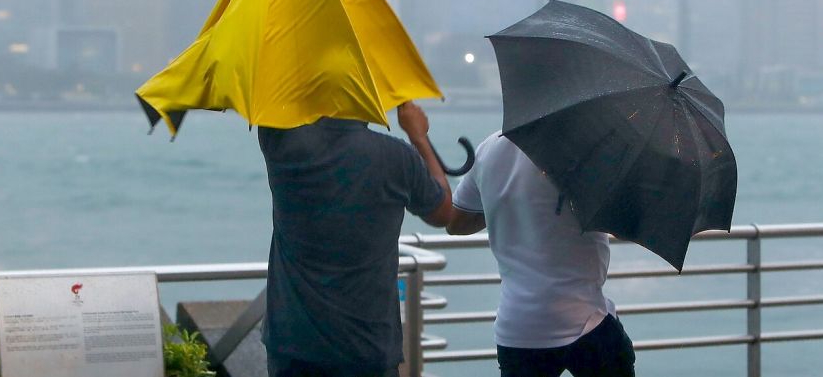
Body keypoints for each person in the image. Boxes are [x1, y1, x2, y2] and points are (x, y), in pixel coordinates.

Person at [258, 101, 454, 377]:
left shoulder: (281, 140)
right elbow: (445, 211)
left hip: (292, 343)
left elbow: (278, 105)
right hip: (368, 347)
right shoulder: (397, 157)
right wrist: (418, 136)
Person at [447, 131, 636, 377]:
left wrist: (509, 204)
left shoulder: (488, 149)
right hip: (584, 319)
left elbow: (456, 223)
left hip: (518, 326)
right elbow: (625, 226)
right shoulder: (585, 152)